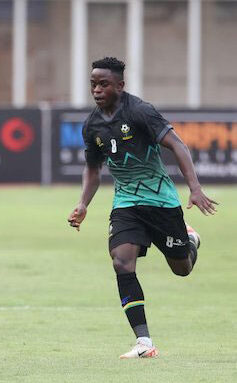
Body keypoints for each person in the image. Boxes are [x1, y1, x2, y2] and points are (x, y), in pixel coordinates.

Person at [68, 57, 218, 359]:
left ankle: (189, 240)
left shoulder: (140, 112)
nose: (97, 90)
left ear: (120, 86)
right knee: (121, 262)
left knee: (182, 269)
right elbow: (93, 170)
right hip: (126, 204)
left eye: (104, 84)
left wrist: (196, 188)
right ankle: (144, 343)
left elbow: (178, 145)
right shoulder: (92, 125)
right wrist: (83, 203)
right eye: (93, 84)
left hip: (161, 202)